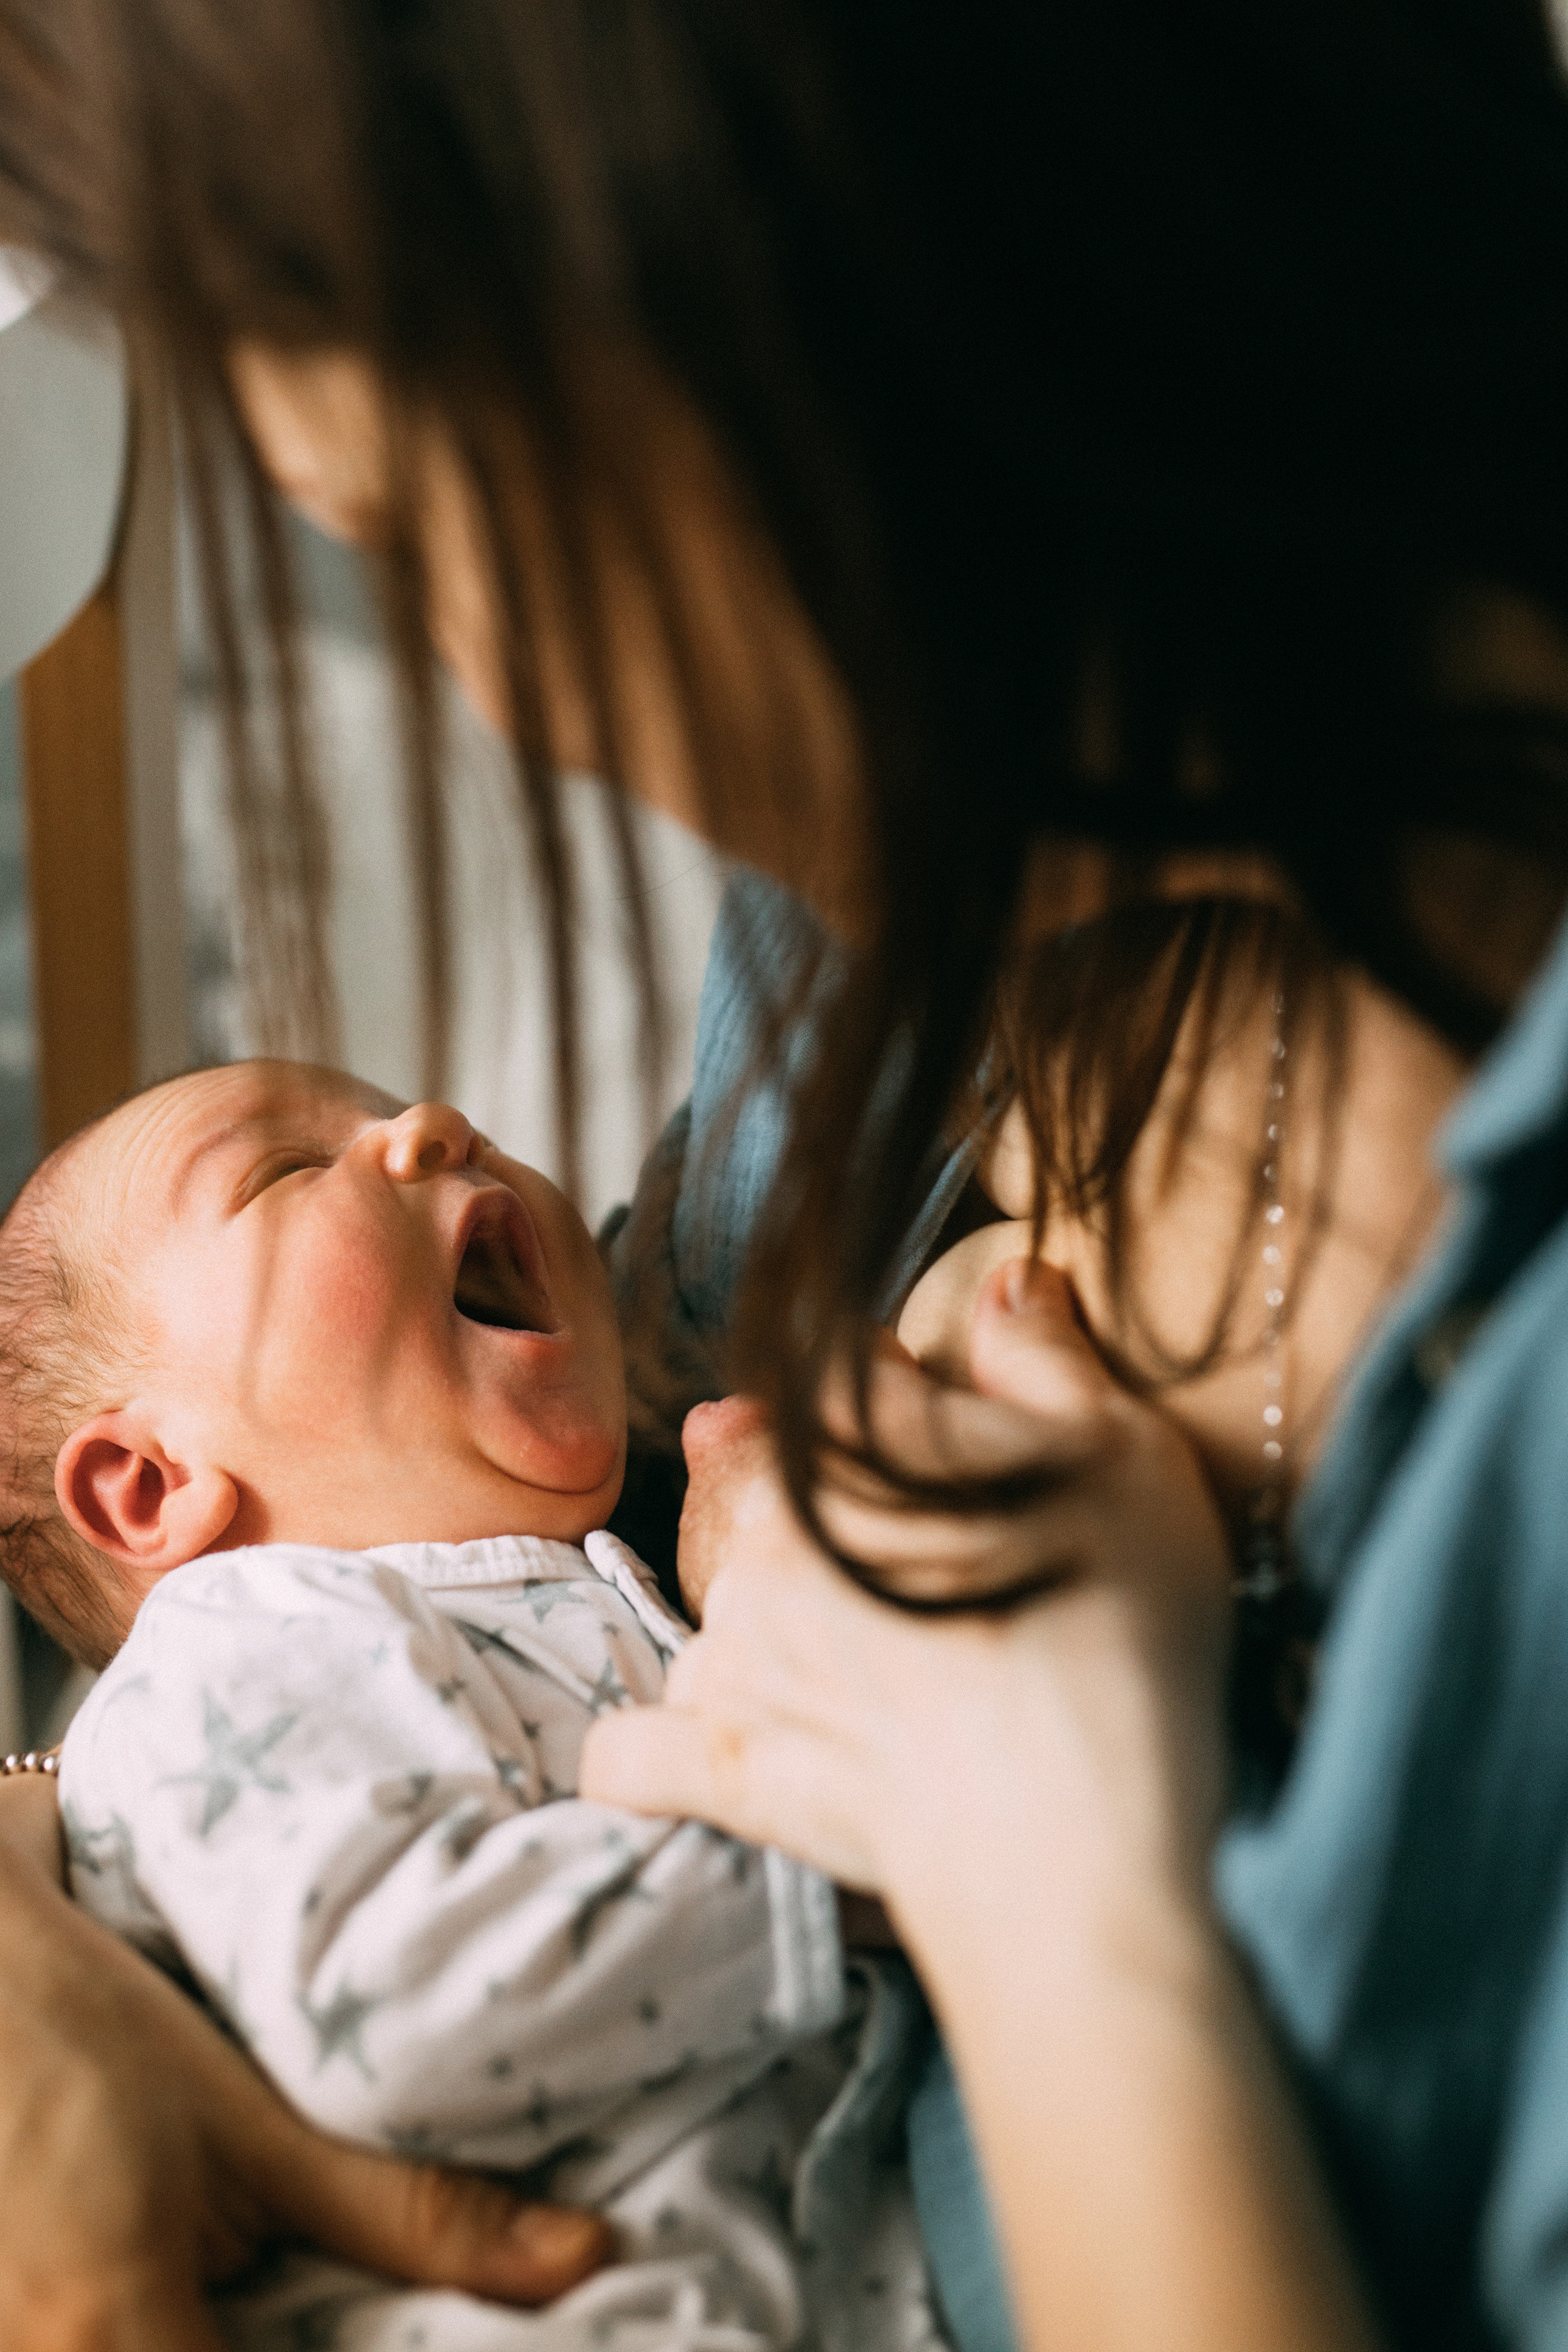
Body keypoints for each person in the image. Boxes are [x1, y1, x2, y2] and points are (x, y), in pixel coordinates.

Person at [2, 4, 1568, 2350]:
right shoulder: (942, 881)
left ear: (825, 331)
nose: (509, 705)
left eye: (441, 542)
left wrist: (1030, 1860)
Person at [3, 1055, 947, 2351]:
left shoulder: (566, 1597)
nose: (429, 1128)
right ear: (152, 1488)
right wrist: (861, 1852)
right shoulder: (248, 1647)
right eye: (286, 1168)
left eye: (395, 1109)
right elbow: (398, 2004)